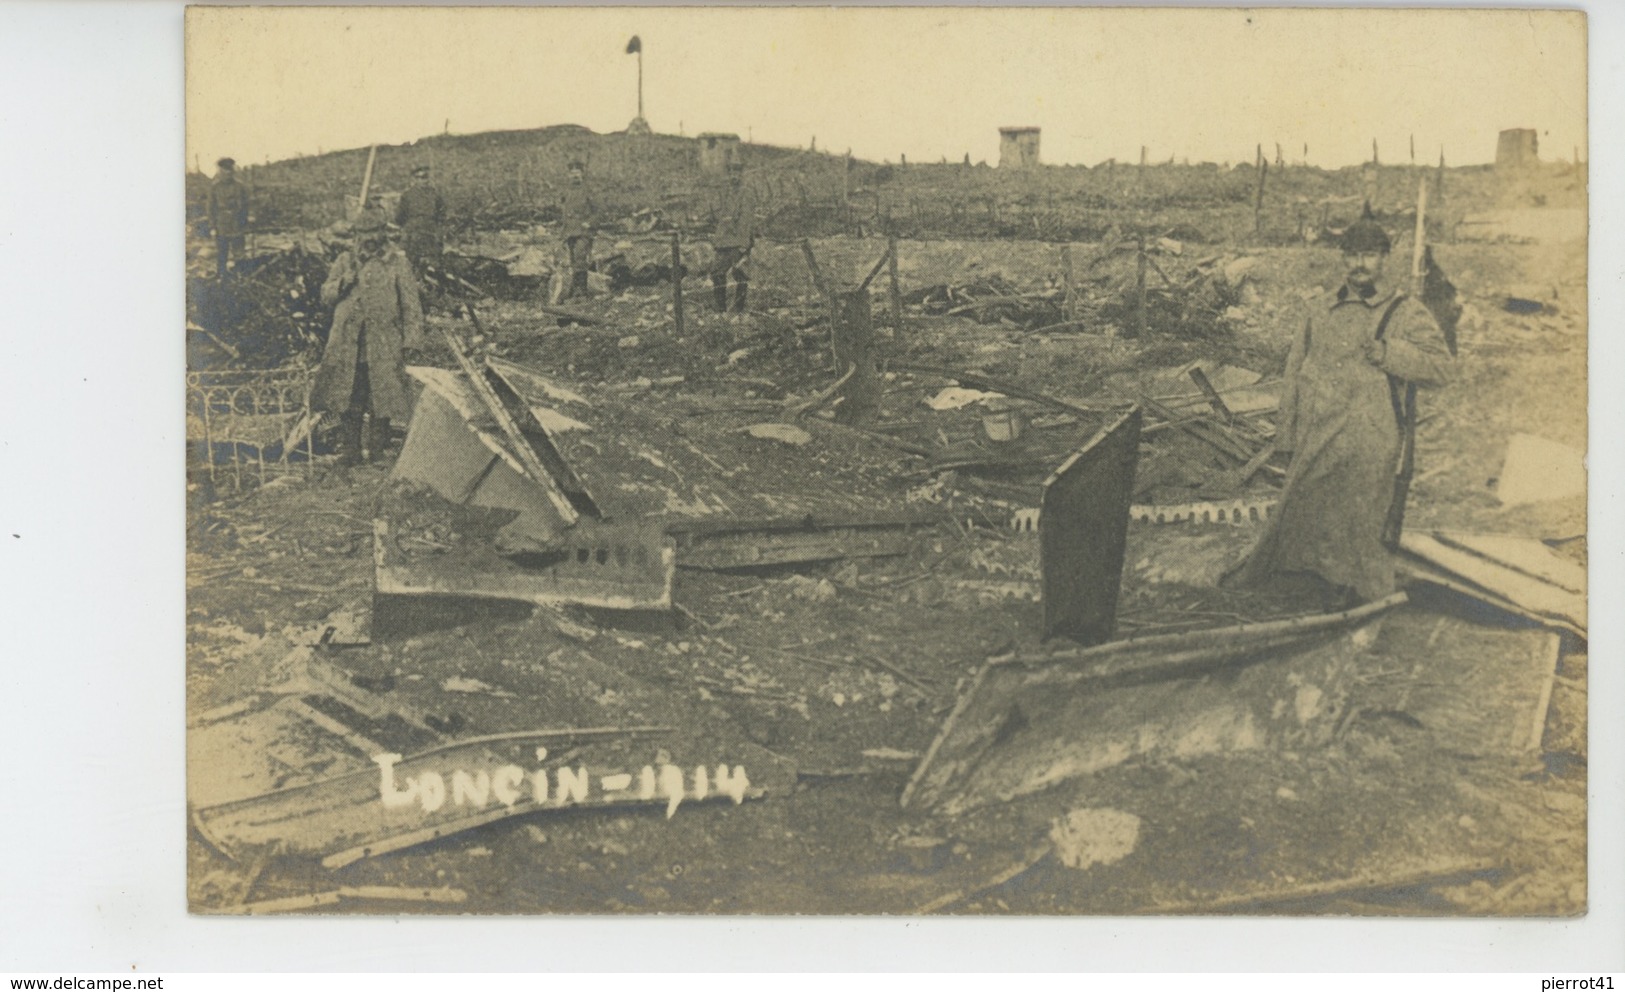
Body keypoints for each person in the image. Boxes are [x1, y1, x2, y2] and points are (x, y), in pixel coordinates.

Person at [1223, 207, 1453, 607]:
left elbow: (1441, 369)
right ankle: (1305, 589)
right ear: (1343, 259)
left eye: (1369, 255)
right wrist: (1287, 435)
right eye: (1351, 255)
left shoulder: (1405, 313)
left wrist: (1389, 352)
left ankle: (1367, 602)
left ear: (1384, 259)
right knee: (1300, 517)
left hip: (1372, 440)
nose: (1359, 264)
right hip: (1321, 436)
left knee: (1365, 528)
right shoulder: (1319, 312)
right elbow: (1294, 372)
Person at [311, 216, 425, 466]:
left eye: (375, 233)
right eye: (365, 234)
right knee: (349, 395)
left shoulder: (397, 263)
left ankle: (377, 452)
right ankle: (350, 450)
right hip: (348, 342)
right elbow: (325, 295)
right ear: (356, 236)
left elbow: (411, 306)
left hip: (384, 342)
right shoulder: (344, 261)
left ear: (383, 234)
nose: (370, 239)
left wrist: (411, 341)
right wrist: (344, 281)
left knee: (380, 397)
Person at [708, 159, 756, 313]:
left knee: (740, 274)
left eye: (737, 173)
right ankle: (720, 308)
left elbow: (746, 219)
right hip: (723, 241)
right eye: (731, 173)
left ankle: (738, 309)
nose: (734, 176)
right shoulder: (726, 193)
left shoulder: (746, 193)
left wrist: (744, 243)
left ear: (742, 175)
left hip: (738, 241)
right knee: (716, 273)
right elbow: (719, 214)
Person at [395, 164, 446, 276]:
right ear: (415, 179)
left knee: (434, 260)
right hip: (414, 230)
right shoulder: (407, 195)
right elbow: (399, 216)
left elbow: (442, 213)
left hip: (430, 229)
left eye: (425, 177)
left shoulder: (435, 194)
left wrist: (438, 228)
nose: (424, 180)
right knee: (410, 259)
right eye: (420, 177)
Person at [557, 160, 596, 301]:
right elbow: (564, 213)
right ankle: (575, 292)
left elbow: (599, 211)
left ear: (582, 175)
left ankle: (582, 291)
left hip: (583, 231)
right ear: (568, 175)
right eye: (572, 173)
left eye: (577, 173)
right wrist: (562, 232)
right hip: (570, 231)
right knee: (573, 261)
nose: (574, 176)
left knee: (580, 258)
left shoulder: (588, 190)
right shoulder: (566, 192)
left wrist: (589, 223)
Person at [206, 157, 250, 279]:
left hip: (237, 223)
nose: (228, 172)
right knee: (222, 252)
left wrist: (246, 221)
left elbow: (246, 205)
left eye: (230, 169)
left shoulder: (240, 186)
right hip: (222, 224)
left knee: (239, 252)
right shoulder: (214, 187)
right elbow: (210, 208)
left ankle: (241, 274)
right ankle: (221, 275)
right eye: (225, 169)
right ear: (220, 170)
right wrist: (212, 227)